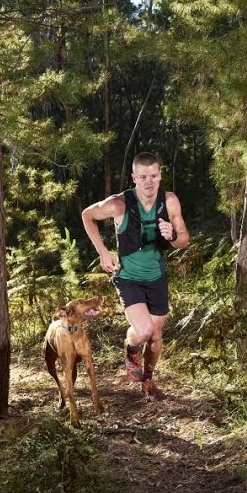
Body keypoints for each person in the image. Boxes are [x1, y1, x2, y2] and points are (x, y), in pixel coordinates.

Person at [80, 152, 190, 399]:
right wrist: (103, 252)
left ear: (160, 175)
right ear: (134, 178)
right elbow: (87, 215)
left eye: (153, 176)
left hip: (156, 276)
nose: (149, 182)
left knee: (156, 336)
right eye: (143, 177)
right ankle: (130, 348)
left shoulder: (169, 201)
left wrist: (172, 235)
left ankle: (148, 380)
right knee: (143, 332)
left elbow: (184, 239)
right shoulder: (119, 203)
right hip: (128, 276)